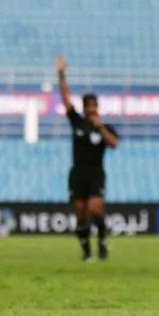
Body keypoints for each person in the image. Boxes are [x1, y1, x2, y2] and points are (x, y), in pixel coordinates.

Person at [56, 56, 119, 261]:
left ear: (97, 107)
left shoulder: (104, 127)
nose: (91, 109)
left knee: (95, 208)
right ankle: (86, 252)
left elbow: (113, 144)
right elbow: (65, 98)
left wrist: (99, 127)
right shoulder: (77, 122)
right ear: (84, 108)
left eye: (94, 106)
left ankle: (101, 240)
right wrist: (61, 74)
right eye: (88, 106)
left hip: (96, 172)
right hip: (77, 171)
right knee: (80, 212)